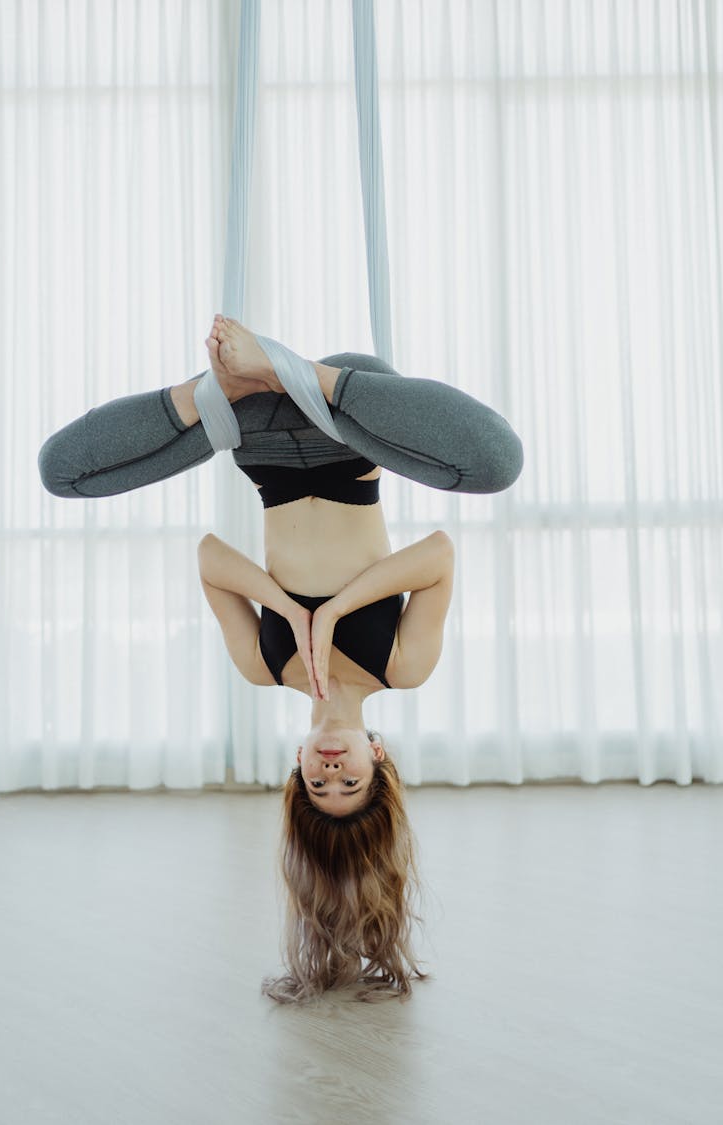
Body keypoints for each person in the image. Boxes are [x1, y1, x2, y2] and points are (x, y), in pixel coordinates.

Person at [38, 315, 523, 1001]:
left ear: (297, 768)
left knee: (61, 474)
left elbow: (210, 558)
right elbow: (439, 555)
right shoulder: (401, 667)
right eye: (348, 784)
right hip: (347, 423)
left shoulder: (267, 666)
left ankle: (235, 383)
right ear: (377, 759)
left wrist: (290, 609)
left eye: (317, 788)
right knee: (497, 461)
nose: (331, 774)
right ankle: (298, 371)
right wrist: (338, 606)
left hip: (260, 437)